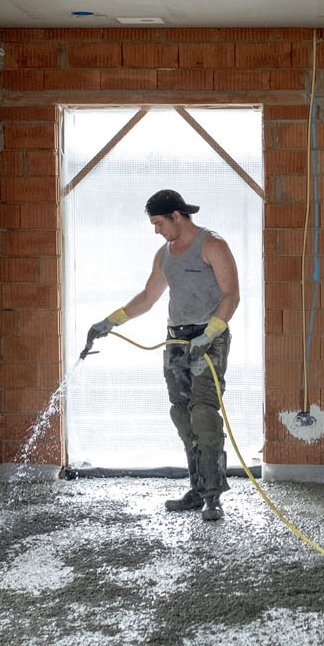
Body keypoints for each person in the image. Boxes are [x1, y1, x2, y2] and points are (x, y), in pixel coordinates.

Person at [87, 190, 240, 521]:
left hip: (208, 339)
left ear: (176, 216)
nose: (156, 230)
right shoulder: (165, 254)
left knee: (204, 413)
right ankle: (197, 489)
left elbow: (232, 296)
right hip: (176, 341)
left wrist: (210, 334)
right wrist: (108, 322)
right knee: (182, 414)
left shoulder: (212, 245)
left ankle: (213, 496)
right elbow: (147, 297)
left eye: (159, 223)